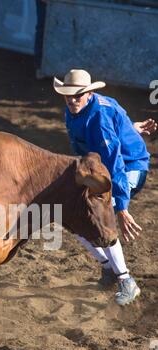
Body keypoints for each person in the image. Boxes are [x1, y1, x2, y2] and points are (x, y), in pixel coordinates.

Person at [53, 69, 157, 305]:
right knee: (70, 214)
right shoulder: (81, 109)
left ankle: (125, 280)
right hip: (102, 166)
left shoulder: (97, 117)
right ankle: (110, 268)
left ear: (89, 94)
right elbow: (116, 122)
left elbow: (116, 163)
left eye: (77, 95)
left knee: (97, 213)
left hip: (130, 168)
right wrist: (131, 129)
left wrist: (121, 207)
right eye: (67, 95)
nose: (71, 99)